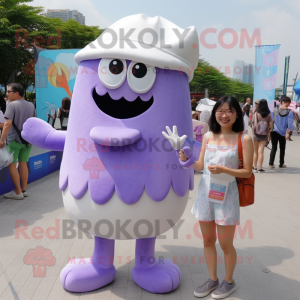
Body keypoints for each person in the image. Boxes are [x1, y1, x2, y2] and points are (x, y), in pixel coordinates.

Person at [179, 96, 253, 299]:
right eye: (220, 111)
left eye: (229, 111)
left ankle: (229, 281)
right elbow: (201, 166)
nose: (224, 115)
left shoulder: (243, 139)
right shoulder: (208, 136)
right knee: (208, 239)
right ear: (214, 114)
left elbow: (247, 171)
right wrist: (187, 159)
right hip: (205, 195)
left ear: (237, 113)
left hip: (227, 197)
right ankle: (212, 279)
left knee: (225, 244)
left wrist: (223, 169)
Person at [0, 83, 36, 200]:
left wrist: (1, 139)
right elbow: (33, 123)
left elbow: (7, 124)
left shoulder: (11, 105)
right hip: (27, 141)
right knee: (23, 164)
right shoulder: (31, 105)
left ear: (16, 93)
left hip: (14, 141)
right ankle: (24, 190)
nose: (6, 94)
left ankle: (18, 192)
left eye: (8, 91)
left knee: (12, 165)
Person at [269, 95, 294, 169]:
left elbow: (272, 120)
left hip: (274, 131)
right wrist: (289, 133)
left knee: (274, 148)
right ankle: (281, 163)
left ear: (281, 101)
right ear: (287, 102)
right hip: (282, 133)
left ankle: (271, 164)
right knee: (282, 148)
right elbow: (290, 125)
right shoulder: (290, 112)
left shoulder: (275, 110)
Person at [251, 99, 273, 173]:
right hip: (264, 135)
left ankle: (254, 168)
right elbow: (270, 126)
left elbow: (252, 124)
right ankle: (260, 168)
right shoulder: (268, 114)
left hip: (256, 134)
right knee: (261, 152)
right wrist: (269, 134)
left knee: (255, 152)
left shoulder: (256, 113)